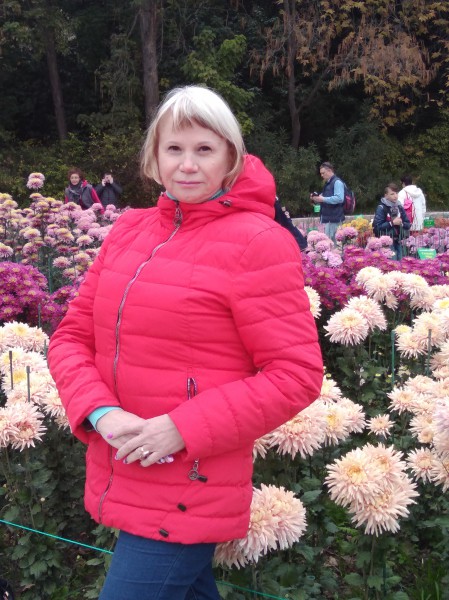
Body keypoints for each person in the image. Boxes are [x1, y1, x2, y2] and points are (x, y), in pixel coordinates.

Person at [48, 85, 323, 600]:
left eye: (205, 149)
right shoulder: (128, 231)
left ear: (230, 158)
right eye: (174, 148)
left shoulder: (257, 241)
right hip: (124, 465)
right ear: (154, 158)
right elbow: (70, 338)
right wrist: (101, 413)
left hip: (191, 483)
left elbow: (296, 374)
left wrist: (181, 428)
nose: (188, 164)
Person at [373, 183, 411, 260]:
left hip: (399, 240)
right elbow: (377, 227)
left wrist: (401, 223)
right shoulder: (381, 208)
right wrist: (392, 223)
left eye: (396, 193)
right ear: (386, 195)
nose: (395, 196)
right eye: (392, 194)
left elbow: (408, 224)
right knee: (392, 263)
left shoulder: (399, 207)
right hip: (387, 243)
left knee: (401, 262)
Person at [309, 162, 345, 242]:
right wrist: (316, 198)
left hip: (334, 219)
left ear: (329, 171)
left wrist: (322, 199)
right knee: (329, 243)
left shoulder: (337, 182)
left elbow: (339, 198)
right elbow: (325, 198)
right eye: (321, 173)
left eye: (323, 173)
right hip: (328, 219)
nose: (321, 175)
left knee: (332, 243)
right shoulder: (328, 183)